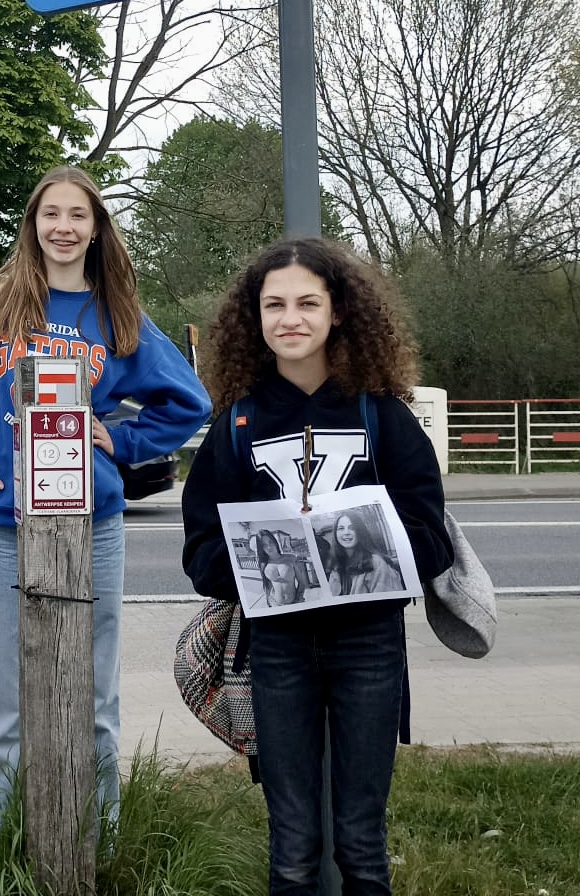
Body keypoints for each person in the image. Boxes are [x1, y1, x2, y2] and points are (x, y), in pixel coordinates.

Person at [0, 165, 211, 862]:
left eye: (79, 215)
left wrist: (121, 441)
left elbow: (188, 401)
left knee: (94, 703)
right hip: (6, 521)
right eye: (52, 214)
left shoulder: (117, 315)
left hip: (92, 527)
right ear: (34, 224)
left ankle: (94, 852)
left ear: (97, 228)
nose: (64, 227)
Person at [181, 236, 453, 895]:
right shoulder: (237, 423)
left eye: (308, 303)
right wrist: (261, 565)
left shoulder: (381, 415)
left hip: (369, 644)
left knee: (362, 845)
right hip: (277, 648)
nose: (290, 318)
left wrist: (358, 554)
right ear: (254, 318)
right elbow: (202, 550)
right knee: (293, 849)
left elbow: (431, 538)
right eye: (274, 305)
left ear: (339, 312)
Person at [329, 509, 406, 595]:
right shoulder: (336, 567)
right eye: (341, 528)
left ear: (360, 532)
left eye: (352, 528)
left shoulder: (376, 563)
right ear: (335, 534)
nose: (346, 532)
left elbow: (389, 598)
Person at [254, 529, 306, 607]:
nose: (269, 547)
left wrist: (298, 600)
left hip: (294, 603)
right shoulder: (264, 565)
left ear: (275, 542)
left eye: (270, 542)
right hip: (276, 605)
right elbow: (267, 586)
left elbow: (302, 582)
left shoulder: (291, 558)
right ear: (261, 548)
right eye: (264, 545)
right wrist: (269, 603)